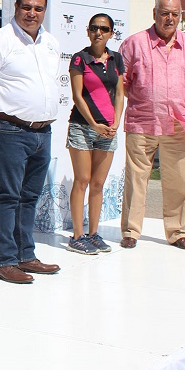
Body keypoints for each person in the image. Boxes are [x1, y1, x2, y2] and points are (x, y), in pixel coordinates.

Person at [0, 0, 62, 285]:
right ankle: (6, 260)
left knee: (29, 197)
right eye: (27, 7)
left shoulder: (51, 44)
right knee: (8, 196)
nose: (32, 13)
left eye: (38, 9)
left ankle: (25, 255)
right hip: (10, 131)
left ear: (44, 11)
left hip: (42, 132)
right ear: (16, 7)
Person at [120, 0, 185, 250]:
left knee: (179, 181)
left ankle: (177, 231)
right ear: (154, 14)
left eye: (174, 14)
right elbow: (122, 84)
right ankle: (131, 231)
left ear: (180, 16)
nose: (169, 18)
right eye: (164, 13)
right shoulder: (134, 44)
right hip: (142, 122)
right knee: (136, 180)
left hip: (178, 124)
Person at [66, 13, 125, 255]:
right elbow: (77, 96)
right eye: (94, 28)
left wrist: (116, 122)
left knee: (98, 184)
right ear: (88, 31)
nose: (98, 32)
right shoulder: (80, 59)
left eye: (104, 28)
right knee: (82, 180)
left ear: (111, 33)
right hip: (82, 127)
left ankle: (93, 234)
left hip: (107, 130)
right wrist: (93, 124)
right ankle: (77, 236)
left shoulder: (116, 59)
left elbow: (119, 94)